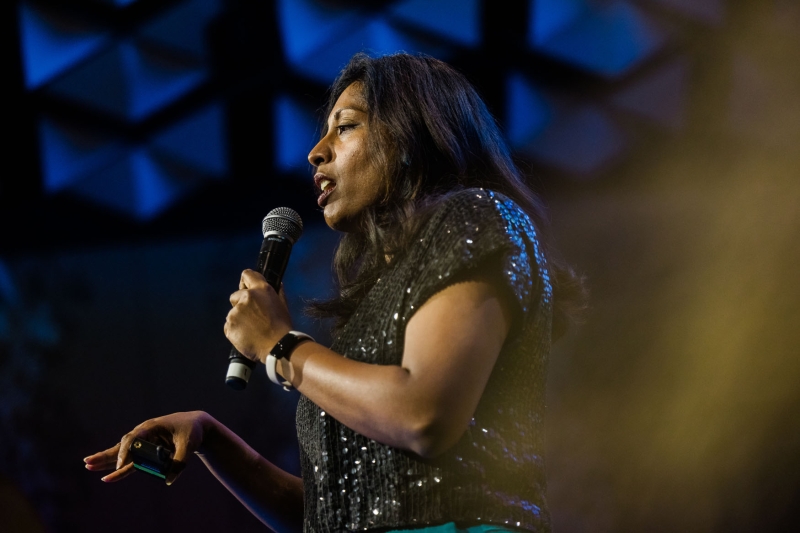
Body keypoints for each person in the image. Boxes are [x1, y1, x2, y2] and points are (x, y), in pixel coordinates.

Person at [84, 53, 583, 533]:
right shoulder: (372, 305)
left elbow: (423, 415)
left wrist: (281, 346)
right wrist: (212, 439)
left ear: (411, 136)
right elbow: (334, 515)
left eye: (345, 127)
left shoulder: (476, 214)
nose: (315, 152)